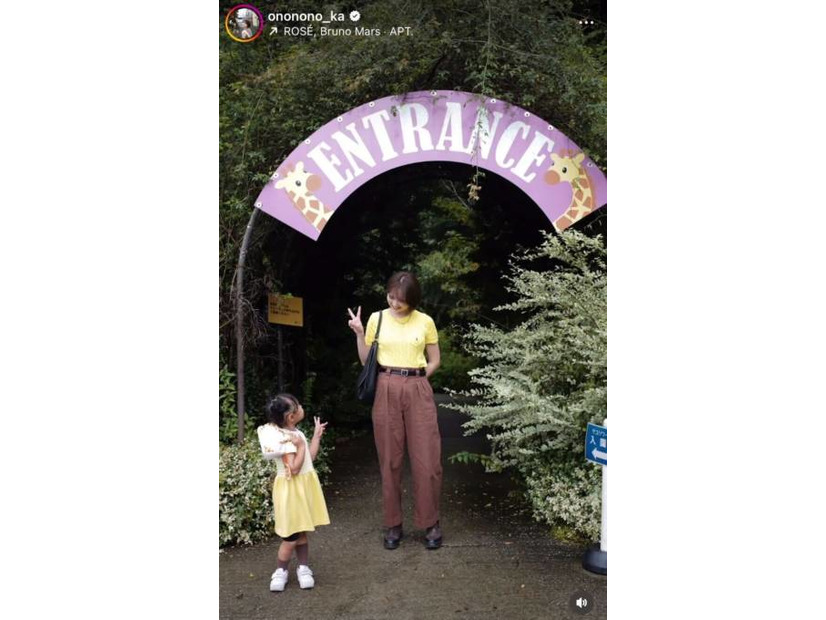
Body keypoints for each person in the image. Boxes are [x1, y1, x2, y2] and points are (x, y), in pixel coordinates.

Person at [346, 271, 443, 550]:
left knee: (428, 459)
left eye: (400, 300)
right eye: (391, 297)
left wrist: (421, 379)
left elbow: (435, 359)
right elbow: (367, 361)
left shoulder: (425, 321)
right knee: (390, 459)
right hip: (386, 386)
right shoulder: (377, 318)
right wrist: (361, 333)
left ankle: (431, 522)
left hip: (417, 387)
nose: (394, 303)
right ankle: (393, 523)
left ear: (412, 300)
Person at [257, 394, 330, 591]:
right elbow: (295, 469)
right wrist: (298, 445)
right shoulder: (286, 439)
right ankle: (280, 571)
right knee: (291, 536)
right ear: (291, 416)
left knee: (301, 531)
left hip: (302, 488)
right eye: (298, 406)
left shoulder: (297, 434)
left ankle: (303, 567)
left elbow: (310, 458)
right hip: (291, 490)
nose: (302, 408)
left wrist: (315, 436)